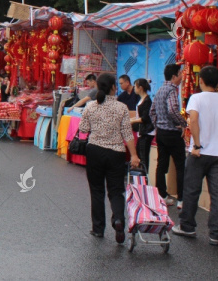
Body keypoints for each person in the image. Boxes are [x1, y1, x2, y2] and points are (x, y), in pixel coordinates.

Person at [172, 66, 218, 246]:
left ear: (200, 80)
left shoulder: (196, 98)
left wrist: (198, 144)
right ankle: (216, 234)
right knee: (217, 194)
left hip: (199, 153)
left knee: (192, 190)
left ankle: (187, 226)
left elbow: (193, 120)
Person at [78, 73, 141, 243]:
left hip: (95, 151)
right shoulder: (121, 108)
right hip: (116, 153)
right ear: (113, 87)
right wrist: (134, 155)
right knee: (116, 190)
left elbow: (83, 129)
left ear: (98, 87)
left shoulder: (91, 106)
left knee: (97, 190)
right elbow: (128, 134)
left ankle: (98, 228)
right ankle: (118, 220)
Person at [151, 63, 187, 207]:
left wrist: (158, 125)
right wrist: (183, 123)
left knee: (161, 164)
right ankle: (181, 199)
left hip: (161, 132)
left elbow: (152, 112)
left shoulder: (160, 90)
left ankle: (162, 195)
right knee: (180, 165)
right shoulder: (172, 90)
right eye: (180, 74)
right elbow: (172, 110)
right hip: (172, 133)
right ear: (173, 77)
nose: (181, 76)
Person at [133, 78, 154, 174]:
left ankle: (144, 178)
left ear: (140, 88)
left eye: (135, 86)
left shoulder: (147, 101)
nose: (134, 88)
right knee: (140, 155)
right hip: (142, 131)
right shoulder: (142, 100)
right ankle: (140, 177)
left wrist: (132, 121)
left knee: (143, 157)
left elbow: (145, 118)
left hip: (146, 131)